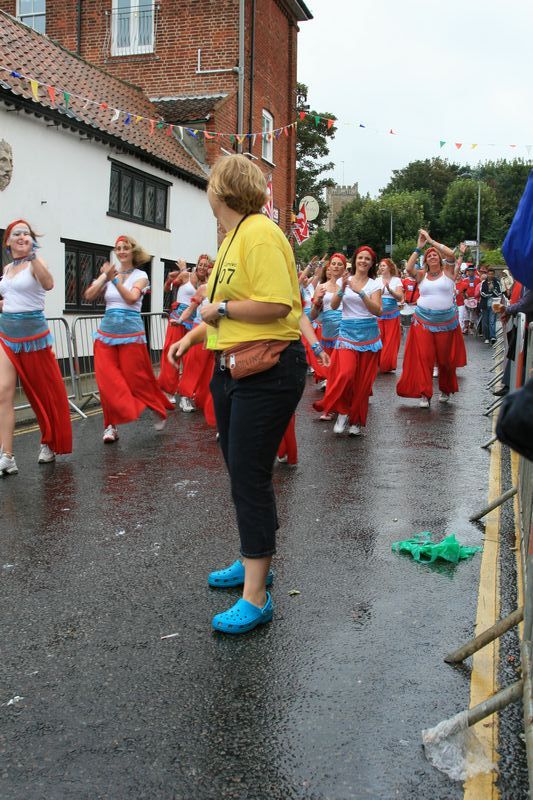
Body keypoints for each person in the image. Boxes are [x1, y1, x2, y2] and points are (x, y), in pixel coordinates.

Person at [169, 154, 306, 635]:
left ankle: (257, 596)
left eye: (211, 184)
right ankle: (252, 559)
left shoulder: (260, 233)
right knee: (241, 470)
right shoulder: (233, 237)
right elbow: (220, 313)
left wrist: (222, 308)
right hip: (234, 368)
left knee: (249, 475)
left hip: (266, 371)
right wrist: (192, 338)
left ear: (222, 191)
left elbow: (276, 305)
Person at [84, 234, 173, 443]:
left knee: (137, 380)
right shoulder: (109, 274)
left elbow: (132, 298)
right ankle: (110, 426)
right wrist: (104, 278)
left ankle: (156, 407)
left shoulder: (141, 275)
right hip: (106, 335)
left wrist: (113, 280)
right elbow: (89, 295)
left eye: (125, 247)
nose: (121, 251)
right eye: (118, 248)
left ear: (132, 251)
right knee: (106, 382)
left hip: (131, 335)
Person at [0, 219, 72, 475]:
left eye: (26, 233)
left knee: (43, 394)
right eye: (16, 233)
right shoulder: (7, 268)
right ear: (8, 241)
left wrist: (33, 257)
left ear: (32, 240)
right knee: (3, 393)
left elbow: (49, 284)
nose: (21, 236)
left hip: (34, 338)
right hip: (7, 336)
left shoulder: (36, 263)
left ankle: (49, 441)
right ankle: (7, 456)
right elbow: (10, 298)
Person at [313, 245, 383, 436]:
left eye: (367, 259)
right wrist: (343, 288)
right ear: (355, 260)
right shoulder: (345, 280)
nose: (363, 261)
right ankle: (343, 411)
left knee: (362, 383)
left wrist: (361, 292)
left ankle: (356, 421)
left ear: (372, 263)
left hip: (368, 336)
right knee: (345, 374)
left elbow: (378, 311)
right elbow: (335, 305)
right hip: (346, 334)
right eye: (360, 258)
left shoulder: (375, 284)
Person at [397, 229, 466, 407]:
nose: (433, 256)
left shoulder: (448, 272)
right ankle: (425, 394)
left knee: (444, 360)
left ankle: (445, 389)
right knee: (424, 358)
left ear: (440, 259)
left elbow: (451, 254)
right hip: (423, 322)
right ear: (426, 261)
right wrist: (419, 247)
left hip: (446, 323)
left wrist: (430, 240)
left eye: (435, 255)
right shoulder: (421, 275)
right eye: (429, 256)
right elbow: (408, 268)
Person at [158, 254, 210, 410]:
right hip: (178, 319)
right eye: (201, 264)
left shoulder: (207, 284)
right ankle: (168, 390)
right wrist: (170, 280)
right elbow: (167, 288)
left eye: (206, 265)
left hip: (193, 323)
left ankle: (189, 392)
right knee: (173, 354)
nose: (202, 267)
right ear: (197, 265)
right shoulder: (186, 275)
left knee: (190, 360)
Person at [376, 258, 404, 372]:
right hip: (379, 314)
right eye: (380, 266)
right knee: (379, 339)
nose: (381, 267)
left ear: (390, 267)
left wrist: (390, 290)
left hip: (392, 315)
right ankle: (378, 362)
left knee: (390, 340)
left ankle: (387, 364)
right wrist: (380, 292)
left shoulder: (396, 280)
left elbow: (400, 297)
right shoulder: (377, 280)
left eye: (384, 265)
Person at [479, 268, 502, 344]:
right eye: (489, 274)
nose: (490, 275)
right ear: (487, 274)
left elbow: (500, 293)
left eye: (492, 274)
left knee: (492, 321)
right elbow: (482, 293)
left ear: (494, 274)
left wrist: (493, 290)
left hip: (494, 304)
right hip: (485, 304)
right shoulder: (483, 282)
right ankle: (487, 337)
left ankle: (493, 336)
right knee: (485, 322)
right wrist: (489, 293)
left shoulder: (497, 282)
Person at [456, 264, 481, 334]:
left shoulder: (478, 279)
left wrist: (477, 298)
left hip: (475, 299)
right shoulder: (465, 280)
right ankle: (466, 328)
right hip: (466, 300)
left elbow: (479, 289)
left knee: (473, 314)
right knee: (466, 314)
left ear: (474, 271)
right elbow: (463, 291)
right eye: (469, 271)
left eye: (472, 271)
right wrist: (466, 298)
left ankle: (471, 327)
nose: (471, 272)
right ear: (467, 272)